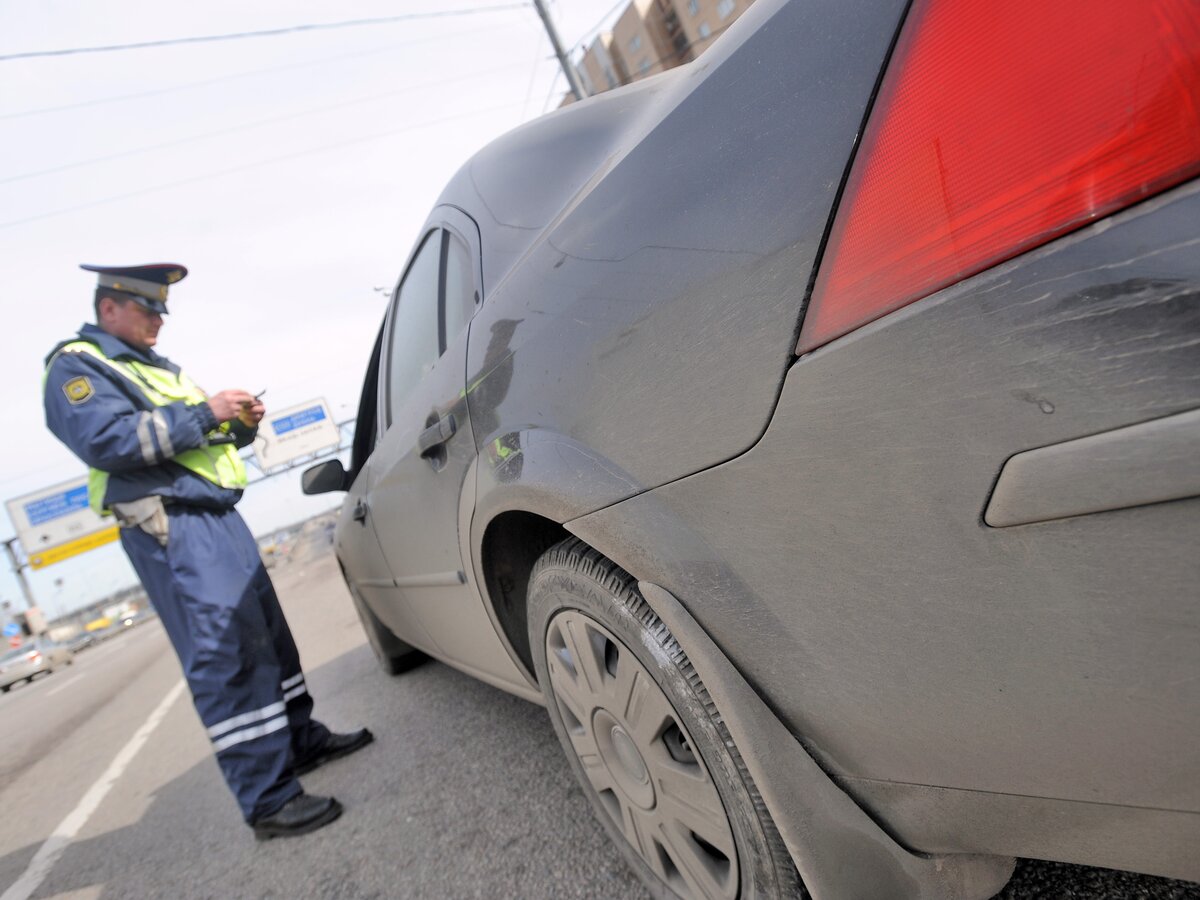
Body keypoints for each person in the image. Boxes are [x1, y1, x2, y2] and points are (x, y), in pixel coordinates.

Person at [43, 262, 373, 839]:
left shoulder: (150, 368)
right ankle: (267, 799)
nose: (158, 322)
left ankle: (299, 741)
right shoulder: (78, 366)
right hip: (172, 524)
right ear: (109, 309)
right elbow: (108, 440)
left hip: (215, 516)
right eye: (148, 311)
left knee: (269, 639)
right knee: (227, 656)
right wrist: (205, 412)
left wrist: (239, 426)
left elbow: (200, 438)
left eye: (162, 312)